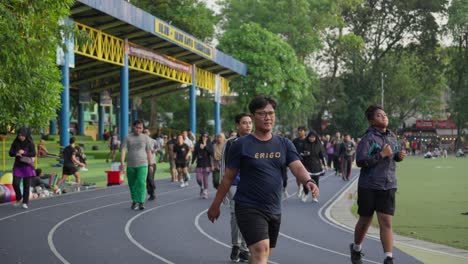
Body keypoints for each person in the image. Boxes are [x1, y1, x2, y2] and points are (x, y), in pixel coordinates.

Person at [207, 95, 319, 264]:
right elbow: (228, 177)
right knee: (261, 251)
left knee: (262, 255)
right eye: (262, 113)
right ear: (253, 116)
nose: (268, 117)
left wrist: (308, 181)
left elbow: (297, 166)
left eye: (271, 113)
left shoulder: (284, 143)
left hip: (273, 207)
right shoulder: (241, 144)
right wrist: (216, 204)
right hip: (248, 206)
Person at [350, 105, 406, 264]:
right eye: (379, 115)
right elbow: (360, 161)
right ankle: (356, 248)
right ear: (371, 121)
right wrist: (381, 154)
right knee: (365, 221)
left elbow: (393, 155)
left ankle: (388, 257)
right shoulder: (368, 138)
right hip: (369, 185)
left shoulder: (392, 136)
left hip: (388, 184)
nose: (384, 117)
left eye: (385, 115)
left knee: (386, 221)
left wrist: (399, 156)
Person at [220, 113, 253, 262]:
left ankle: (245, 248)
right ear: (238, 125)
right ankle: (236, 245)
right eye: (244, 123)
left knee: (249, 217)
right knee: (236, 213)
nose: (248, 125)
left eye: (250, 122)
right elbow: (223, 165)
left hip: (252, 184)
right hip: (233, 183)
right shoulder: (230, 143)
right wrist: (224, 186)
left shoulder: (257, 141)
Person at [120, 120, 152, 210]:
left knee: (141, 183)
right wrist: (122, 162)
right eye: (136, 127)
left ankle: (141, 202)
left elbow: (149, 152)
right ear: (133, 127)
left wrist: (151, 164)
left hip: (143, 164)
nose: (138, 129)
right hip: (130, 164)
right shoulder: (127, 138)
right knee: (132, 184)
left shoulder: (146, 138)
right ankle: (135, 201)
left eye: (140, 128)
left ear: (142, 129)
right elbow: (123, 150)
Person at [9, 127, 36, 209]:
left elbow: (33, 153)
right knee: (15, 183)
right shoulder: (15, 142)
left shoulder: (30, 143)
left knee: (26, 185)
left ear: (25, 135)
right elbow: (10, 153)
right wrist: (16, 153)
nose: (20, 137)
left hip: (27, 166)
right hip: (17, 165)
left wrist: (24, 152)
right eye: (19, 135)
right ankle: (19, 198)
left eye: (22, 136)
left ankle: (25, 202)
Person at [300, 130, 327, 203]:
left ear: (316, 138)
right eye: (310, 137)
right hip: (306, 165)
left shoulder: (319, 145)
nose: (311, 139)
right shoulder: (304, 144)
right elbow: (300, 154)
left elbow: (322, 155)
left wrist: (325, 165)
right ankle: (306, 194)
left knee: (316, 181)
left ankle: (314, 196)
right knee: (306, 180)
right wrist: (304, 154)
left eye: (313, 137)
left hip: (316, 165)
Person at [192, 132, 214, 199]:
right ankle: (201, 187)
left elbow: (211, 152)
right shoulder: (198, 144)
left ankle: (205, 191)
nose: (205, 137)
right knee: (198, 179)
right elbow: (195, 153)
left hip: (207, 163)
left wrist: (205, 146)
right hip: (199, 163)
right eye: (203, 136)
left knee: (205, 178)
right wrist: (192, 162)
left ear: (208, 138)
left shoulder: (209, 144)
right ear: (201, 137)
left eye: (206, 136)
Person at [292, 126, 307, 199]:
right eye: (299, 131)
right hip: (297, 160)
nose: (299, 132)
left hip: (306, 160)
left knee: (305, 175)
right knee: (298, 176)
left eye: (301, 131)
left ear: (305, 132)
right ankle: (299, 187)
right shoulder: (295, 141)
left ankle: (305, 189)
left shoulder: (307, 140)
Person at [144, 129, 158, 201]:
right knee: (146, 179)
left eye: (147, 132)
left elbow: (158, 147)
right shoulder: (141, 142)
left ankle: (153, 188)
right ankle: (151, 193)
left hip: (152, 163)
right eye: (144, 132)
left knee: (150, 178)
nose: (145, 133)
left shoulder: (153, 141)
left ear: (149, 133)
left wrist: (154, 150)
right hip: (144, 163)